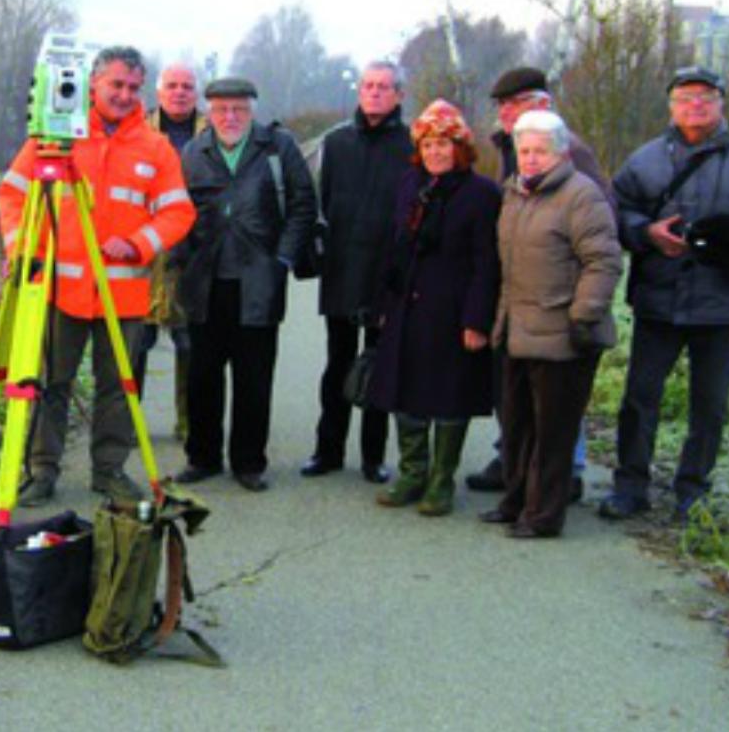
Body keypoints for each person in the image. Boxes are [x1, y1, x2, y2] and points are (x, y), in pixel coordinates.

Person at [599, 65, 729, 521]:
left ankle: (693, 490)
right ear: (671, 105)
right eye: (686, 97)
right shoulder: (646, 159)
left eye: (705, 97)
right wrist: (646, 232)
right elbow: (614, 210)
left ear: (721, 104)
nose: (696, 105)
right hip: (659, 298)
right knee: (640, 397)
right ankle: (630, 486)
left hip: (724, 300)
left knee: (709, 405)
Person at [0, 45, 196, 505]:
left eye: (132, 87)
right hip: (58, 288)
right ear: (93, 85)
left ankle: (109, 471)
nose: (125, 95)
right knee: (49, 384)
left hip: (122, 293)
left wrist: (140, 243)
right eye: (116, 85)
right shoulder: (53, 136)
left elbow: (178, 212)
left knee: (118, 388)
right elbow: (12, 196)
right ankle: (42, 470)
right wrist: (21, 250)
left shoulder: (155, 146)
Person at [465, 66, 615, 502]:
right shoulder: (513, 150)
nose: (506, 112)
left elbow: (599, 236)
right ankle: (516, 460)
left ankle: (565, 471)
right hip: (523, 293)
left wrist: (583, 308)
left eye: (516, 103)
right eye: (502, 105)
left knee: (557, 397)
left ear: (543, 104)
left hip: (559, 297)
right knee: (519, 390)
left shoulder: (571, 155)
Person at [175, 77, 316, 492]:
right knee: (203, 375)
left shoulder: (278, 147)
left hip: (259, 278)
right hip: (206, 280)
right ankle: (202, 457)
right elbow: (177, 208)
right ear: (209, 113)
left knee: (254, 376)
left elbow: (303, 204)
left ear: (251, 110)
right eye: (221, 109)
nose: (230, 117)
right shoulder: (193, 152)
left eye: (238, 109)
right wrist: (184, 258)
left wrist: (283, 260)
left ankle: (249, 461)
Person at [368, 99, 501, 516]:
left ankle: (442, 480)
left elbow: (487, 263)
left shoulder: (481, 194)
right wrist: (384, 305)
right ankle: (412, 473)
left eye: (443, 144)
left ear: (460, 147)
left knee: (448, 395)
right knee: (404, 390)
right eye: (428, 145)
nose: (435, 153)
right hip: (406, 307)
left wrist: (477, 320)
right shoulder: (410, 185)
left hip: (453, 311)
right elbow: (394, 247)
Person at [301, 60, 414, 484]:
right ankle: (327, 451)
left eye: (384, 87)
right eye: (368, 86)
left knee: (380, 367)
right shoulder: (339, 144)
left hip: (388, 274)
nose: (375, 93)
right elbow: (325, 205)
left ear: (399, 95)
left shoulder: (410, 146)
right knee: (337, 364)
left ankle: (372, 457)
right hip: (343, 270)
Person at [137, 63, 208, 441]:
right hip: (144, 253)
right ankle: (127, 425)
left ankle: (190, 423)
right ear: (159, 91)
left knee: (190, 343)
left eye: (187, 86)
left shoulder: (211, 132)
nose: (180, 92)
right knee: (137, 342)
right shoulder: (137, 130)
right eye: (173, 86)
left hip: (192, 254)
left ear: (196, 93)